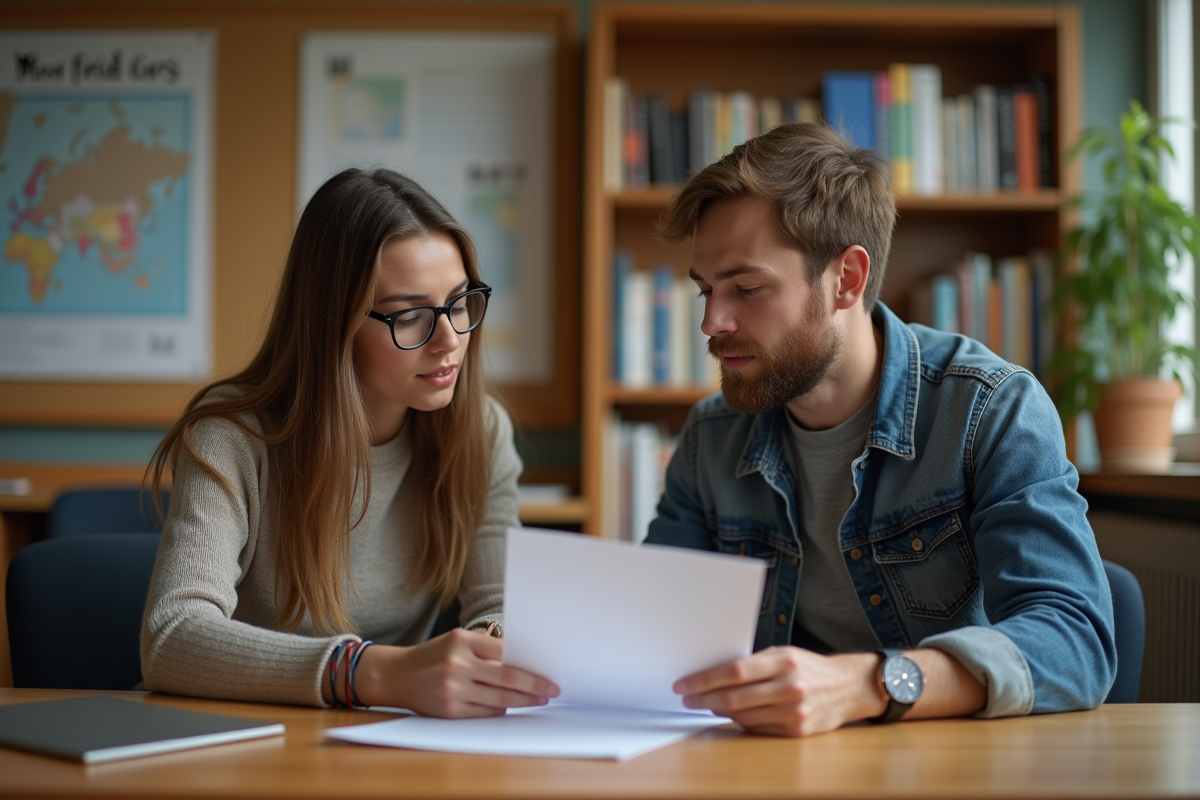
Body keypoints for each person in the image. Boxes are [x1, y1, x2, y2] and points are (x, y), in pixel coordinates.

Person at [646, 122, 1116, 737]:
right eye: (705, 290)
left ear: (847, 278)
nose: (712, 321)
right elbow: (653, 628)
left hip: (954, 765)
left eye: (747, 288)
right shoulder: (712, 436)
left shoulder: (989, 411)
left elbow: (1074, 640)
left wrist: (871, 685)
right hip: (776, 763)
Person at [142, 168, 559, 715]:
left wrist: (492, 645)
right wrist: (371, 671)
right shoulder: (231, 438)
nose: (449, 340)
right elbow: (172, 638)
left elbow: (499, 603)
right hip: (243, 738)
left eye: (460, 303)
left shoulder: (480, 430)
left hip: (383, 741)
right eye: (410, 315)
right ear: (332, 323)